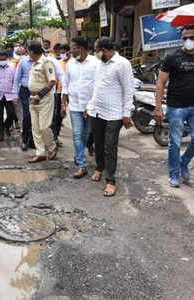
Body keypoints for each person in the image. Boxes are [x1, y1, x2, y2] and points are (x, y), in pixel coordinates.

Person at [154, 24, 194, 187]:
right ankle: (174, 173)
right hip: (176, 106)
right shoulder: (172, 58)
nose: (188, 41)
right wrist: (158, 106)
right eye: (185, 38)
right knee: (174, 142)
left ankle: (183, 162)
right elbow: (161, 82)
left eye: (191, 37)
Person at [86, 37, 134, 197]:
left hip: (114, 114)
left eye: (96, 50)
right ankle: (99, 167)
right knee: (98, 143)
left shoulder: (122, 64)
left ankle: (111, 180)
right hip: (97, 111)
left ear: (104, 50)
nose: (95, 53)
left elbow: (128, 90)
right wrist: (89, 105)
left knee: (110, 146)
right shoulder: (100, 64)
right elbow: (97, 87)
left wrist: (127, 113)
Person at [62, 37, 99, 179]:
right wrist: (63, 103)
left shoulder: (95, 63)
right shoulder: (70, 64)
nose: (70, 51)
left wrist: (90, 105)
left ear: (81, 48)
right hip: (75, 105)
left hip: (91, 106)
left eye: (73, 48)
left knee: (87, 133)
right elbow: (66, 83)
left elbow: (98, 86)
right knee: (77, 133)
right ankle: (82, 165)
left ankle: (79, 153)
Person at [27, 41, 58, 163]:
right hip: (33, 98)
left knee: (44, 126)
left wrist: (39, 96)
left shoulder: (46, 62)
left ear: (33, 52)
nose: (28, 54)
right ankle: (40, 152)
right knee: (35, 128)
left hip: (43, 99)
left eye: (28, 51)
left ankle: (52, 147)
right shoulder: (34, 64)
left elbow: (52, 82)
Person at [13, 49, 35, 151]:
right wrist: (15, 95)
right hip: (25, 90)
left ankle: (34, 141)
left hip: (39, 91)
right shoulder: (23, 62)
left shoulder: (45, 61)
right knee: (27, 115)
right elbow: (17, 79)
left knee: (37, 117)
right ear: (29, 51)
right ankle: (25, 140)